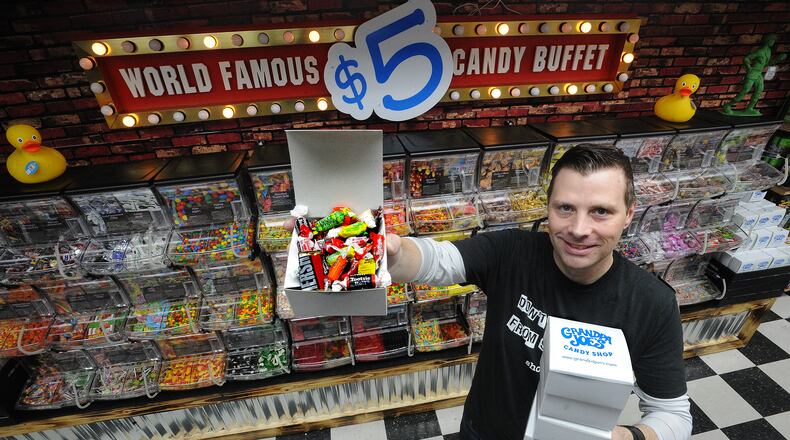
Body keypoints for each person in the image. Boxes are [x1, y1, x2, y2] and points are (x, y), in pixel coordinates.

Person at [386, 144, 692, 440]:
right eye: (566, 208)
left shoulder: (652, 303)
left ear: (628, 214)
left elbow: (673, 415)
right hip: (482, 431)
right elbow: (438, 259)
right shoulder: (511, 252)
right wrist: (394, 255)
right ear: (548, 206)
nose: (579, 229)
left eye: (601, 211)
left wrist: (625, 437)